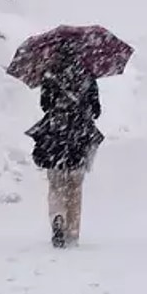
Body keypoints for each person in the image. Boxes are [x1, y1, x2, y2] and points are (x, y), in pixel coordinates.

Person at [26, 45, 103, 248]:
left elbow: (45, 105)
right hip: (79, 138)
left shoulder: (50, 75)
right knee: (75, 187)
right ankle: (72, 231)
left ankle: (57, 218)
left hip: (55, 139)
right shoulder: (87, 75)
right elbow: (96, 110)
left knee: (55, 185)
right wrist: (82, 109)